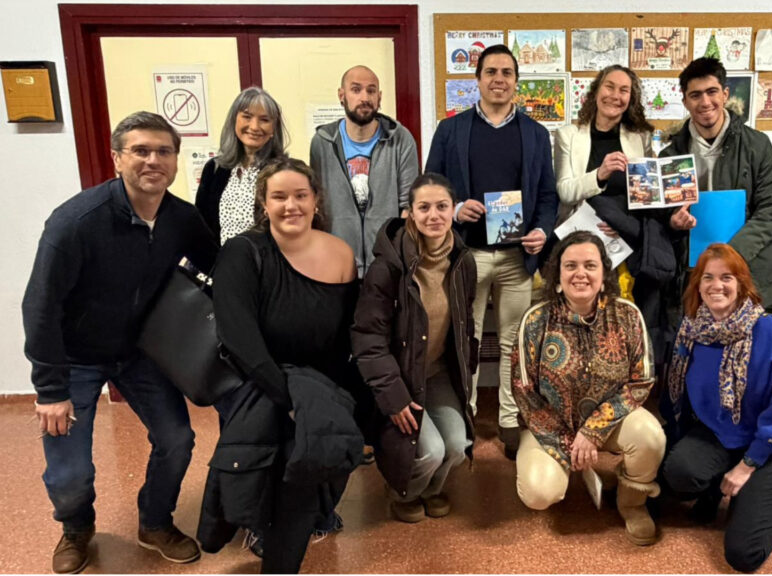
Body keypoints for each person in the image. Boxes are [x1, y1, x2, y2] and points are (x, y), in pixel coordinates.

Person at [22, 111, 218, 574]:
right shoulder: (75, 222)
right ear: (116, 159)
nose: (153, 161)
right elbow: (41, 306)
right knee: (71, 474)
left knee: (177, 439)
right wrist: (50, 390)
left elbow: (221, 268)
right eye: (140, 151)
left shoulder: (181, 218)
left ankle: (155, 521)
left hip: (138, 352)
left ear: (175, 160)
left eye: (163, 151)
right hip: (74, 359)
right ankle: (76, 528)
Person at [201, 158, 364, 573]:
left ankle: (301, 523)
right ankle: (274, 549)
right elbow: (238, 338)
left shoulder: (341, 253)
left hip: (319, 384)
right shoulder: (243, 252)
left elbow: (345, 335)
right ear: (264, 203)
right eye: (279, 197)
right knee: (290, 465)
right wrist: (290, 399)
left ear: (316, 200)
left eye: (300, 195)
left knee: (327, 444)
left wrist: (336, 398)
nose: (291, 205)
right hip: (257, 380)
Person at [426, 44, 559, 459]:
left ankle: (508, 418)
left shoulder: (535, 134)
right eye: (491, 72)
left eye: (506, 72)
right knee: (465, 340)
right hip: (467, 254)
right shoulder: (450, 130)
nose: (499, 79)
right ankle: (464, 416)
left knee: (512, 343)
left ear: (516, 81)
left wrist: (542, 230)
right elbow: (431, 187)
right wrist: (455, 208)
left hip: (518, 257)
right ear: (478, 79)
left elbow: (548, 195)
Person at [660, 243, 772, 573]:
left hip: (769, 443)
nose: (716, 285)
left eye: (726, 277)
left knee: (744, 554)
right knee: (677, 472)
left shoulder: (770, 331)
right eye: (707, 277)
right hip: (717, 433)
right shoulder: (691, 329)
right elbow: (678, 397)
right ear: (697, 285)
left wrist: (747, 466)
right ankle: (715, 489)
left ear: (742, 284)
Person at [511, 231, 665, 546]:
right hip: (549, 427)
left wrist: (592, 431)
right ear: (557, 274)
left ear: (603, 273)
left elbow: (641, 382)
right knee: (539, 493)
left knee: (651, 438)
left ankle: (631, 502)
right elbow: (524, 392)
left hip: (609, 422)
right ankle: (564, 470)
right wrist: (569, 441)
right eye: (570, 266)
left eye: (590, 265)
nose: (580, 273)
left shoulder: (627, 315)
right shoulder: (536, 320)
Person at [351, 173, 478, 523]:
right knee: (430, 451)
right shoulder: (388, 266)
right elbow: (367, 337)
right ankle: (403, 491)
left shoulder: (463, 262)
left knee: (457, 446)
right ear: (409, 213)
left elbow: (465, 323)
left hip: (438, 373)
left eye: (442, 206)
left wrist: (467, 371)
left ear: (454, 210)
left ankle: (431, 488)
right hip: (399, 378)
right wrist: (392, 395)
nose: (433, 215)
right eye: (424, 207)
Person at [554, 64, 679, 364]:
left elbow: (646, 196)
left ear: (631, 99)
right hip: (582, 239)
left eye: (624, 90)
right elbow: (565, 191)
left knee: (625, 320)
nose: (615, 95)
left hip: (628, 242)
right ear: (596, 91)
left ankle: (629, 376)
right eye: (609, 86)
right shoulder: (568, 135)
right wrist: (600, 173)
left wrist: (624, 225)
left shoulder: (641, 137)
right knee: (584, 318)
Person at [659, 57, 772, 310]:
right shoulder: (670, 156)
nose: (705, 102)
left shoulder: (757, 145)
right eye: (695, 95)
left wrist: (729, 256)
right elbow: (663, 215)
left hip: (750, 273)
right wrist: (673, 222)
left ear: (725, 94)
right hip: (694, 278)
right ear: (685, 101)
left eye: (712, 92)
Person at [310, 64, 420, 278]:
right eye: (356, 89)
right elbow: (316, 203)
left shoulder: (400, 139)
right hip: (335, 262)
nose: (364, 97)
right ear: (341, 95)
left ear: (379, 97)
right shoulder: (322, 142)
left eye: (371, 90)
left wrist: (397, 256)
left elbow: (408, 207)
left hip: (387, 265)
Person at [196, 86, 287, 245]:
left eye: (264, 120)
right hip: (221, 259)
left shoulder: (284, 171)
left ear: (274, 128)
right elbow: (201, 224)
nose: (254, 126)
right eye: (247, 117)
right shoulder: (214, 168)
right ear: (234, 120)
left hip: (266, 259)